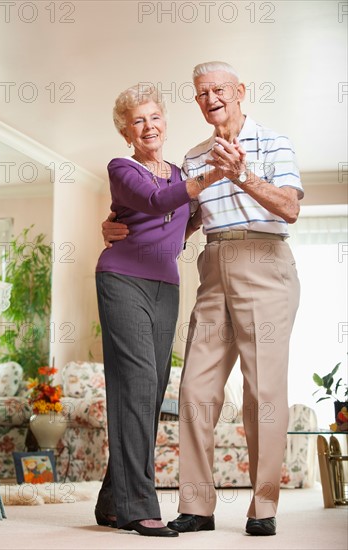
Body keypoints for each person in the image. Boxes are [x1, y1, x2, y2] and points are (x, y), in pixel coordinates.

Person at [102, 61, 303, 537]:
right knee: (195, 389)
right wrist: (116, 227)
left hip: (266, 260)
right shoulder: (193, 158)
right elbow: (176, 217)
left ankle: (263, 507)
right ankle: (196, 505)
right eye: (200, 93)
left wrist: (242, 176)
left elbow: (291, 208)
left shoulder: (274, 141)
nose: (210, 98)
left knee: (263, 394)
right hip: (213, 265)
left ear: (240, 91)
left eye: (218, 89)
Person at [94, 83, 219, 538]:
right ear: (127, 132)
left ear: (165, 122)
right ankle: (138, 508)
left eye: (155, 117)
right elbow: (152, 202)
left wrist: (204, 210)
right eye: (138, 120)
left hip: (166, 285)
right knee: (139, 383)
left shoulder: (178, 171)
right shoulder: (121, 167)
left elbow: (176, 226)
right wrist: (207, 179)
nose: (149, 126)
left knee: (152, 388)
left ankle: (112, 499)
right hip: (122, 279)